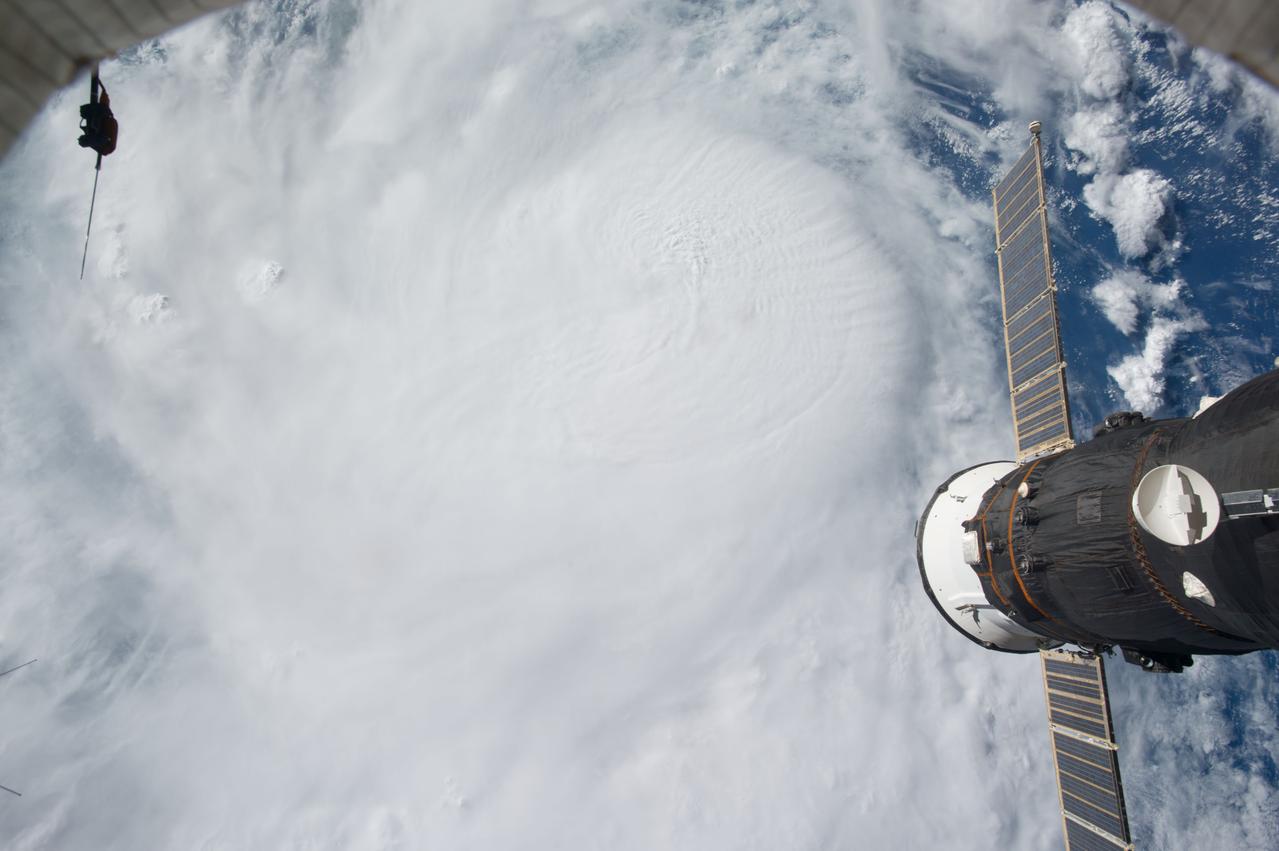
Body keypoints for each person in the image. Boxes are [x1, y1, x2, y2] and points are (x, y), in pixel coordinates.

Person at [78, 84, 118, 156]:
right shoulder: (105, 113)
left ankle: (89, 137)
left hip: (102, 136)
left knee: (93, 112)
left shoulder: (106, 144)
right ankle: (91, 114)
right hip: (102, 125)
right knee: (95, 111)